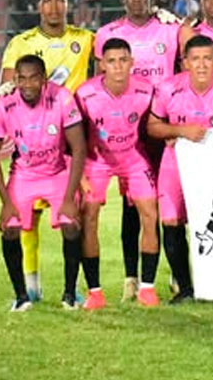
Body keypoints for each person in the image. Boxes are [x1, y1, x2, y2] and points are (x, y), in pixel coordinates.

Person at [0, 0, 94, 302]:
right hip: (33, 141)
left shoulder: (85, 38)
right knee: (28, 218)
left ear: (68, 5)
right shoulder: (21, 43)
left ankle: (76, 287)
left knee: (78, 217)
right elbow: (7, 87)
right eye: (47, 1)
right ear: (39, 6)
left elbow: (120, 43)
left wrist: (159, 15)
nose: (54, 7)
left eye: (60, 0)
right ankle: (31, 284)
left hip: (73, 140)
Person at [93, 0, 180, 301]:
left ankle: (177, 273)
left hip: (164, 127)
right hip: (128, 131)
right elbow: (97, 82)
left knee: (171, 203)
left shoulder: (170, 29)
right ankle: (132, 277)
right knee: (133, 207)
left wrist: (180, 20)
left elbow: (192, 49)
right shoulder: (108, 34)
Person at [147, 35, 213, 303]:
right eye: (195, 59)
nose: (201, 65)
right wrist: (180, 130)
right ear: (185, 62)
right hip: (175, 164)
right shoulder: (168, 88)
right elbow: (152, 127)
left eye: (207, 58)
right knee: (171, 221)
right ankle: (185, 288)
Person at [0, 54, 86, 311]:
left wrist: (69, 198)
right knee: (9, 228)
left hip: (57, 171)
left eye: (33, 78)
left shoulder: (62, 98)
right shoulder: (5, 106)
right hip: (24, 175)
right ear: (16, 80)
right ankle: (21, 297)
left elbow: (79, 147)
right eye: (22, 78)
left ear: (43, 80)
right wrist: (5, 202)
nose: (27, 84)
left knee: (71, 225)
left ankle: (70, 294)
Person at [75, 39, 160, 308]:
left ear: (132, 62)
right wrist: (79, 175)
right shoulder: (85, 94)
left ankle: (147, 289)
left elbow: (153, 126)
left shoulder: (146, 90)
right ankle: (95, 292)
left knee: (150, 213)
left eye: (123, 60)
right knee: (89, 217)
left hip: (132, 158)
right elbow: (75, 136)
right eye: (111, 61)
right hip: (97, 160)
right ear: (102, 65)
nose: (118, 66)